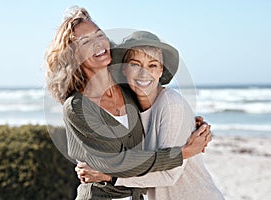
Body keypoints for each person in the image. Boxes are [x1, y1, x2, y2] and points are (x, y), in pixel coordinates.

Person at [44, 6, 211, 200]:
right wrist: (182, 153)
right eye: (86, 42)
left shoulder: (128, 91)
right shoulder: (77, 107)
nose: (98, 44)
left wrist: (189, 123)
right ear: (74, 56)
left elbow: (154, 114)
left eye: (99, 35)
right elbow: (117, 162)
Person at [76, 31, 224, 199]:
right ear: (124, 68)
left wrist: (109, 176)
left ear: (161, 70)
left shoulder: (172, 105)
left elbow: (168, 175)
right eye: (135, 64)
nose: (143, 73)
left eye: (152, 65)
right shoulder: (129, 108)